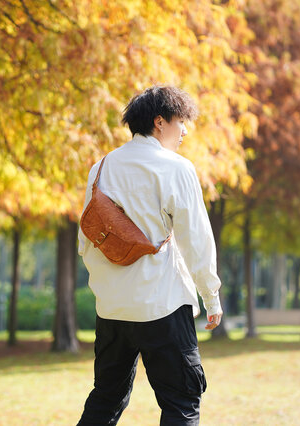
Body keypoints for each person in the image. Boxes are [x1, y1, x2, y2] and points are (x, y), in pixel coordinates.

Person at [77, 86, 223, 425]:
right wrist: (211, 296)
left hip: (112, 309)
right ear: (160, 122)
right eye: (181, 121)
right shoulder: (177, 168)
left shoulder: (100, 168)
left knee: (105, 398)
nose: (185, 130)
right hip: (163, 305)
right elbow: (196, 240)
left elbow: (88, 237)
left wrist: (106, 286)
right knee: (181, 402)